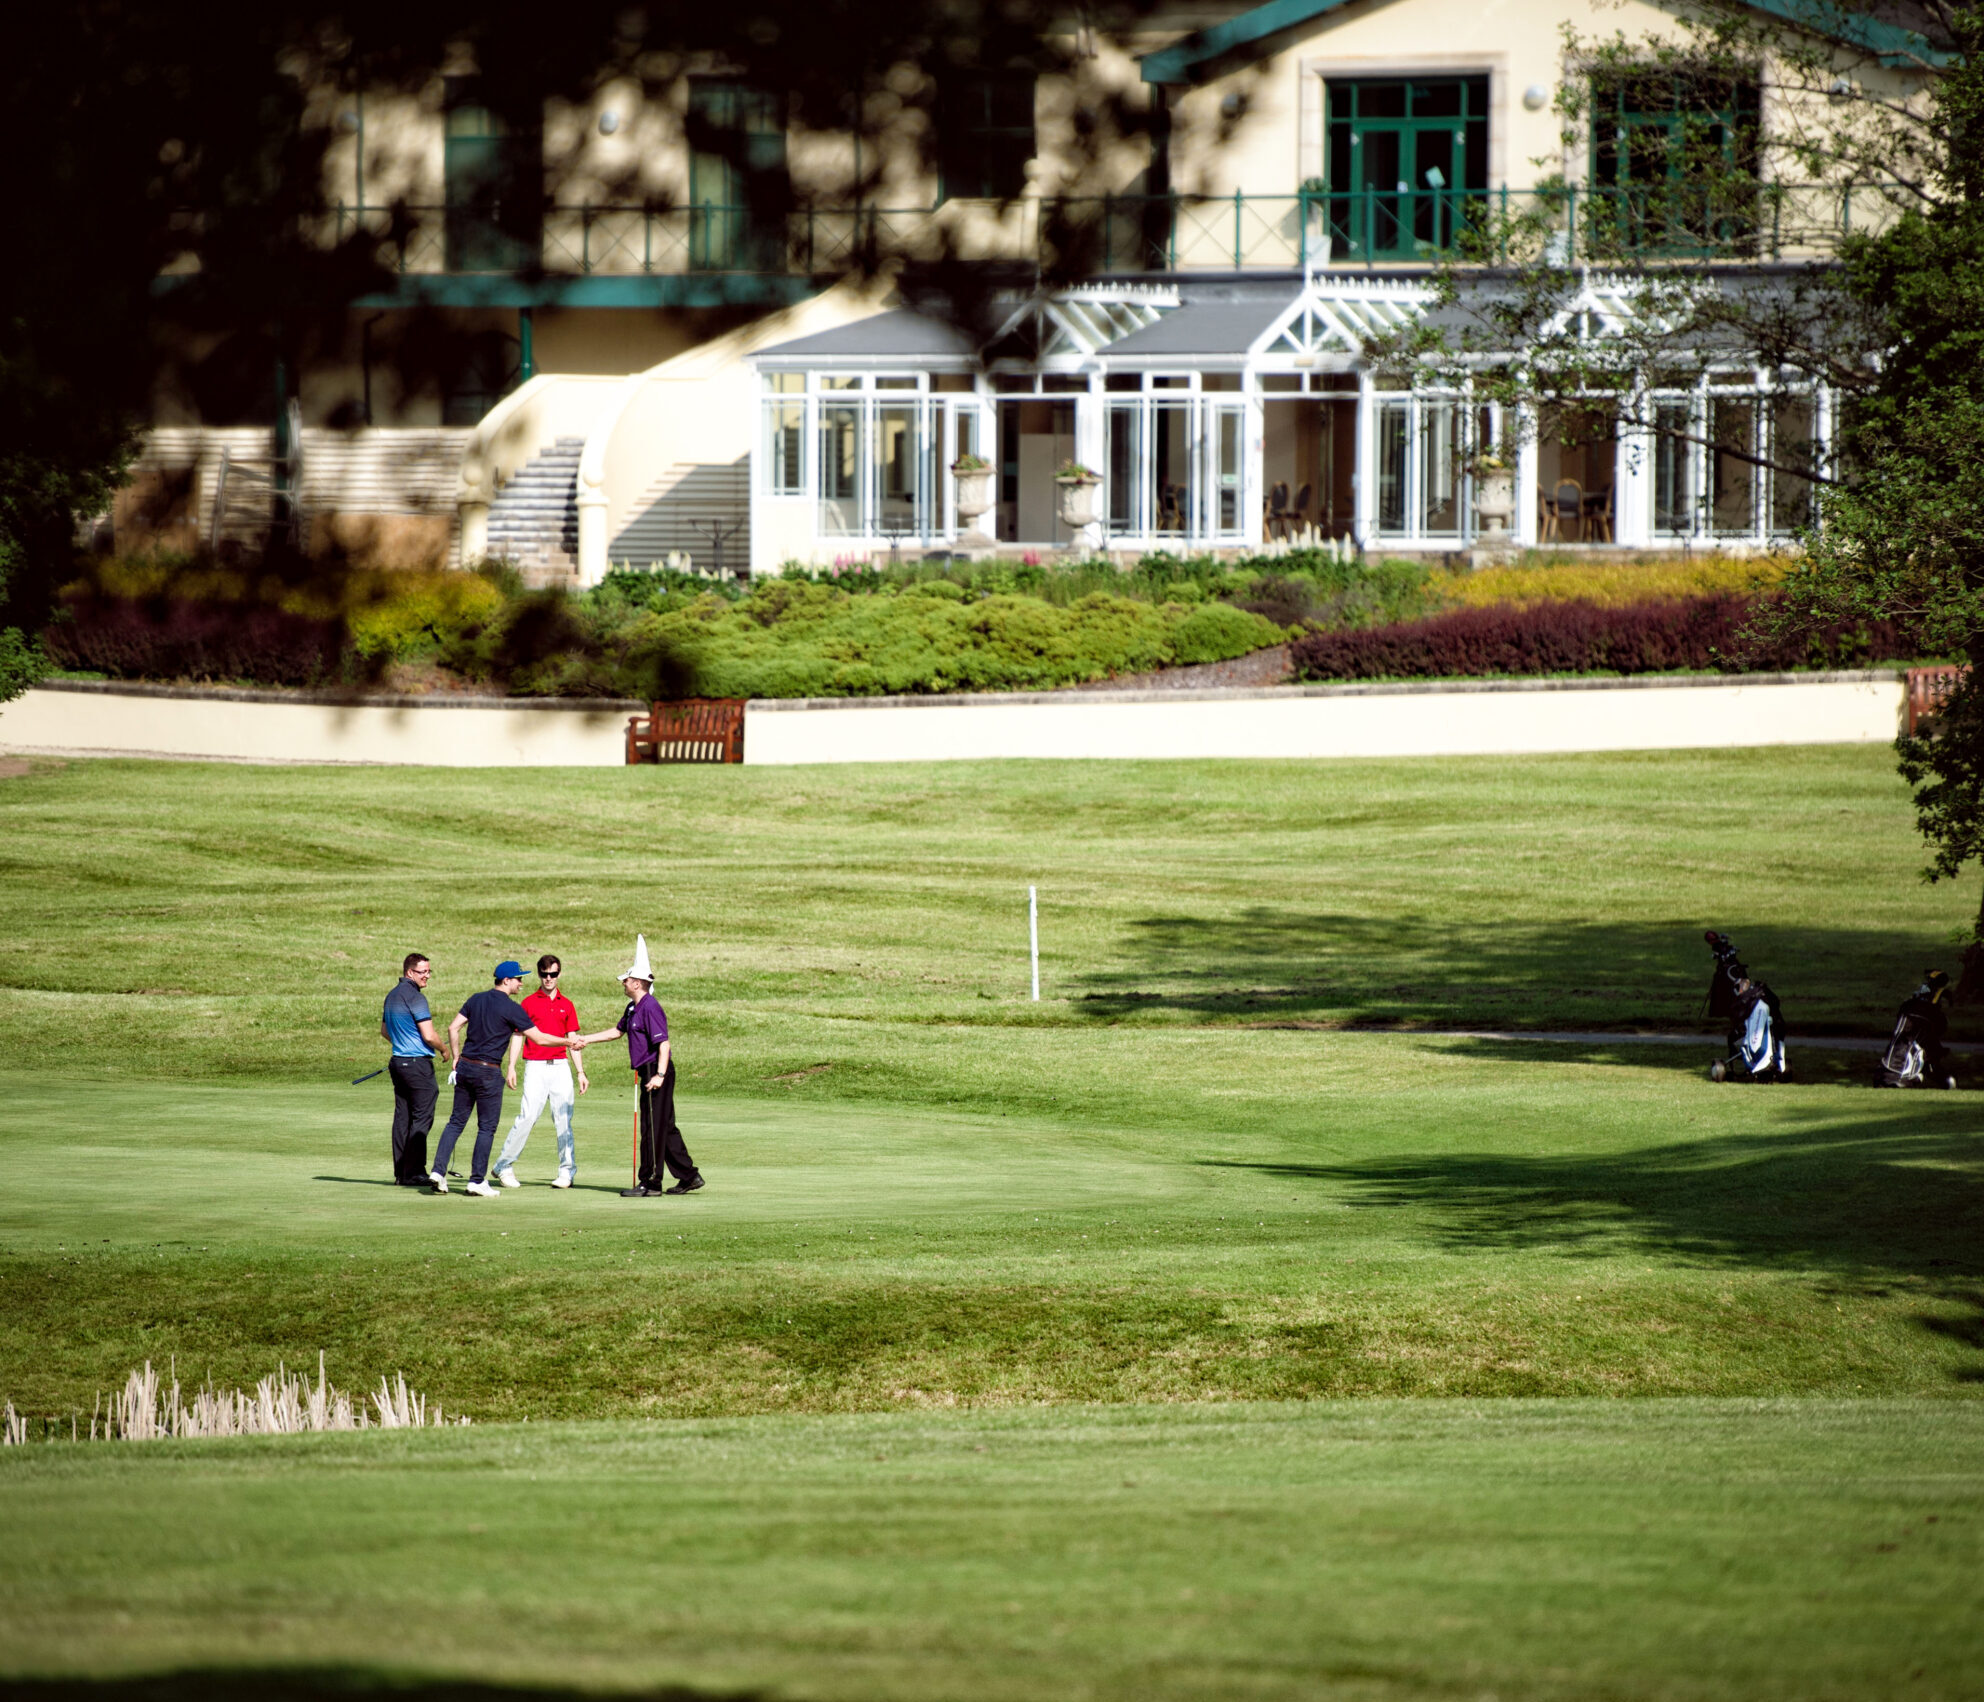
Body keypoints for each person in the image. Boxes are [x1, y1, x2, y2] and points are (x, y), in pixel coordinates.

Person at [429, 960, 579, 1198]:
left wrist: (456, 1057)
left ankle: (438, 1172)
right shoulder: (512, 1008)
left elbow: (452, 1028)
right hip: (488, 1072)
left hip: (465, 1067)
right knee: (486, 1128)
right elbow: (538, 1038)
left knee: (455, 1122)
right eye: (518, 979)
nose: (521, 983)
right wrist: (568, 1041)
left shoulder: (476, 999)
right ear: (506, 980)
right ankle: (477, 1180)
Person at [570, 934, 704, 1198]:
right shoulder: (632, 1008)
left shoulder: (651, 1007)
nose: (624, 982)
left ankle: (650, 1183)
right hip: (648, 1070)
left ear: (639, 983)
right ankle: (689, 1176)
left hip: (656, 1070)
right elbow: (616, 1032)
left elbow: (663, 1044)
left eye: (627, 980)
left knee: (651, 1128)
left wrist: (660, 1076)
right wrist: (586, 1039)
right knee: (664, 1126)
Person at [493, 954, 588, 1189]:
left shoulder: (567, 1004)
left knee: (563, 1119)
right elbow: (517, 1035)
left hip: (560, 1067)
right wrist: (512, 1066)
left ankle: (567, 1171)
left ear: (559, 974)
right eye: (544, 975)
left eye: (553, 974)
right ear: (539, 975)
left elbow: (572, 1040)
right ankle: (503, 1166)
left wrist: (580, 1072)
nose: (548, 979)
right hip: (534, 1066)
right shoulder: (528, 1003)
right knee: (527, 1117)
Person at [381, 953, 452, 1186]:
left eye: (429, 971)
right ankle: (414, 1171)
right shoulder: (415, 997)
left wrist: (402, 1043)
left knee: (403, 1118)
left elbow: (384, 1031)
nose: (428, 976)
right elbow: (429, 1035)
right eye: (423, 972)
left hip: (398, 1063)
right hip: (417, 1065)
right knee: (421, 1117)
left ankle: (401, 1173)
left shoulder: (392, 996)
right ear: (410, 972)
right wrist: (444, 1050)